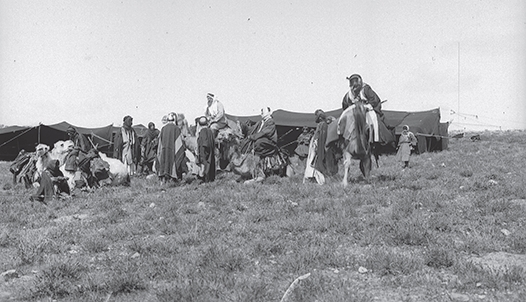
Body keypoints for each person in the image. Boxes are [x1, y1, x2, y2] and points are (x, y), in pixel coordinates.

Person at [342, 74, 394, 145]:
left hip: (367, 110)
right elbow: (345, 105)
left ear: (360, 82)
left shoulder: (366, 89)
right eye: (352, 85)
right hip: (355, 111)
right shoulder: (349, 95)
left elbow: (375, 100)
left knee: (373, 120)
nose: (354, 88)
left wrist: (367, 106)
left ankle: (375, 139)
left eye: (356, 85)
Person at [304, 110, 338, 184]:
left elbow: (321, 139)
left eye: (316, 116)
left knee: (315, 161)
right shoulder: (321, 124)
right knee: (312, 161)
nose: (315, 118)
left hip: (317, 147)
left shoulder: (322, 125)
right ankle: (313, 177)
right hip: (314, 146)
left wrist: (317, 148)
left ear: (319, 117)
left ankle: (318, 178)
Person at [157, 112, 187, 184]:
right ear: (174, 120)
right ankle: (173, 179)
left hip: (164, 150)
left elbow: (160, 142)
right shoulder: (176, 129)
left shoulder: (163, 129)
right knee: (173, 162)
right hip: (173, 150)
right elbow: (179, 143)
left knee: (164, 162)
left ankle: (164, 180)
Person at [196, 116, 216, 183]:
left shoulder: (203, 131)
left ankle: (205, 180)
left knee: (205, 165)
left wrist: (202, 153)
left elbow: (204, 143)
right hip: (210, 150)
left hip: (204, 151)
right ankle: (210, 179)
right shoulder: (210, 130)